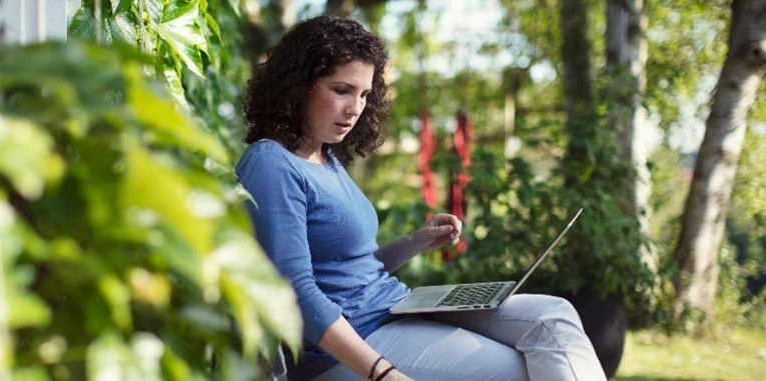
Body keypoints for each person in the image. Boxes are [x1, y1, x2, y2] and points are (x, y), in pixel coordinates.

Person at [236, 15, 607, 381]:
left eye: (364, 94)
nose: (355, 109)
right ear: (299, 85)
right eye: (341, 90)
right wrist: (383, 373)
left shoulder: (326, 157)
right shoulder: (271, 164)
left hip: (395, 307)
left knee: (552, 318)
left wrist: (417, 240)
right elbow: (297, 292)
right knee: (517, 371)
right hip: (348, 345)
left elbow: (351, 270)